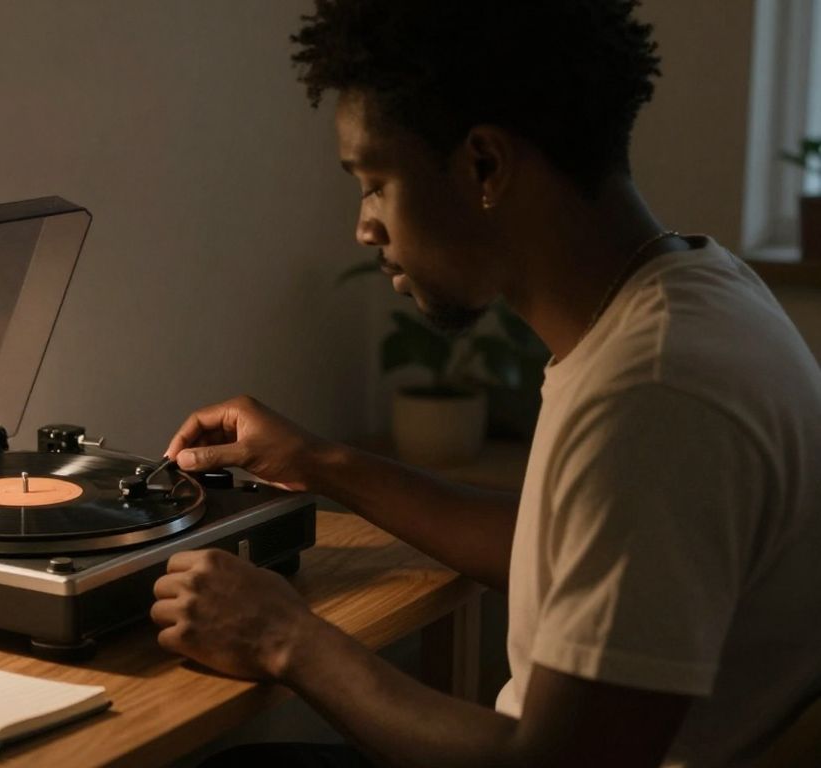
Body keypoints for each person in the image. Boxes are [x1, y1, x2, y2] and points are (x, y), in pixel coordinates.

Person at [148, 1, 821, 766]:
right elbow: (575, 553)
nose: (364, 227)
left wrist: (283, 638)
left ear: (484, 166)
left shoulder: (651, 396)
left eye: (375, 181)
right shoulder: (697, 287)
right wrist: (319, 463)